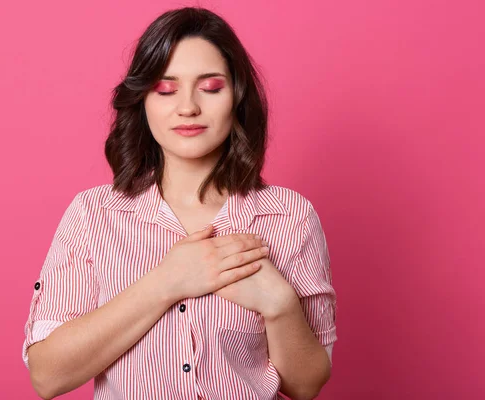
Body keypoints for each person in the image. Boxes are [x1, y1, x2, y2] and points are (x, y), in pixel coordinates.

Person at [22, 6, 337, 400]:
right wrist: (168, 282)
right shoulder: (93, 216)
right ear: (142, 101)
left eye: (210, 87)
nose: (187, 107)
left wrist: (280, 304)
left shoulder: (289, 217)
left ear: (237, 98)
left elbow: (306, 386)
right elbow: (47, 376)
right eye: (166, 89)